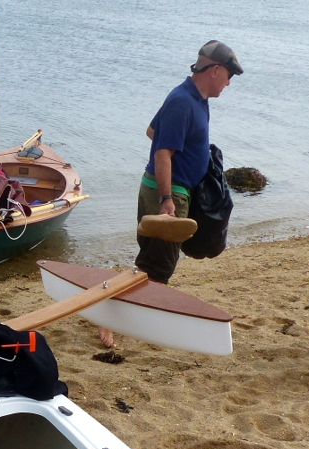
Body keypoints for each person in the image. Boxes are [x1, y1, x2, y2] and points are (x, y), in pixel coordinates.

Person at [99, 40, 243, 349]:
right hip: (170, 193)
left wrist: (188, 151)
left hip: (158, 186)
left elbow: (153, 131)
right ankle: (118, 320)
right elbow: (162, 150)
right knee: (160, 267)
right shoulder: (183, 102)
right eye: (229, 76)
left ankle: (113, 312)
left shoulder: (191, 97)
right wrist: (167, 199)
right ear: (215, 70)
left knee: (149, 261)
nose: (229, 83)